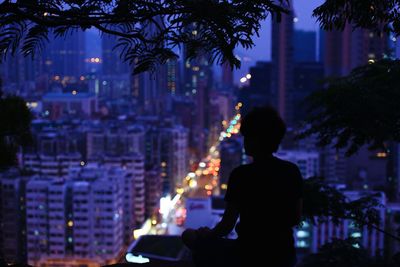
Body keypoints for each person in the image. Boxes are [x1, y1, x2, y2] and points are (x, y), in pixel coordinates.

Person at [182, 106, 304, 267]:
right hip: (284, 254)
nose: (244, 141)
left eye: (247, 137)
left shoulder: (241, 175)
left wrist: (208, 234)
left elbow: (227, 225)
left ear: (255, 140)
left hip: (247, 253)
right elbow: (295, 217)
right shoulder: (291, 171)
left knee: (189, 236)